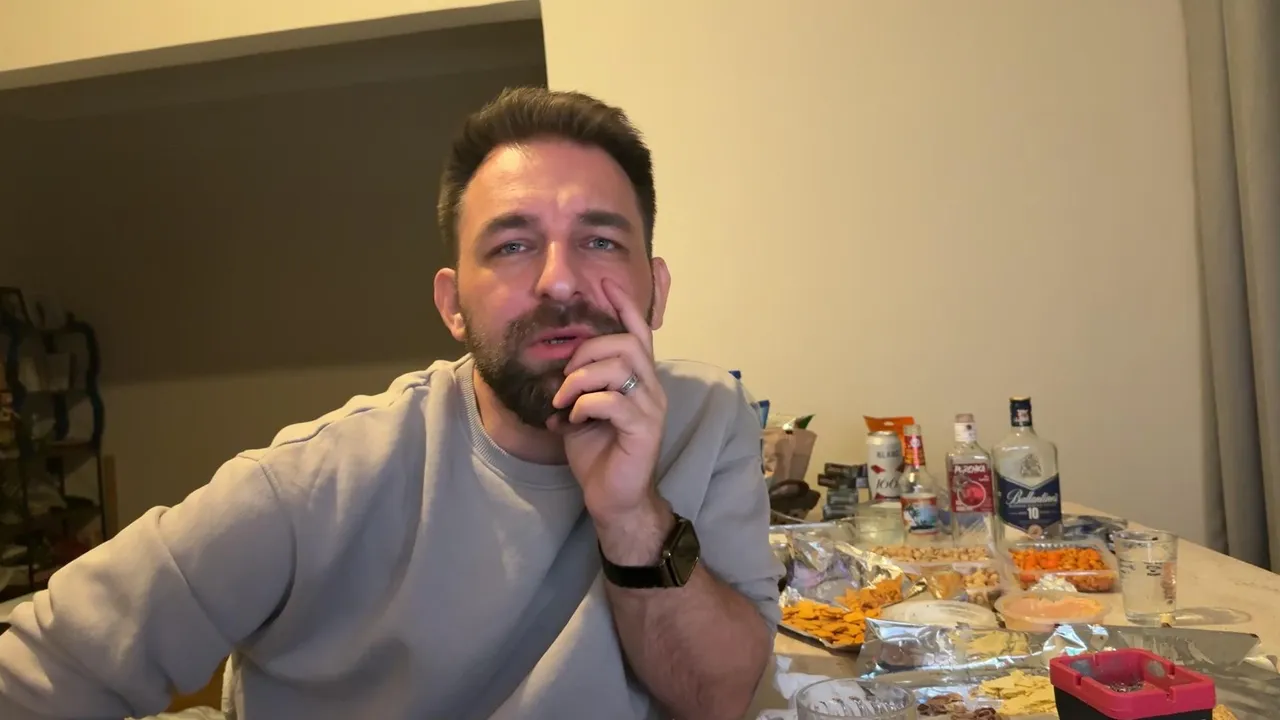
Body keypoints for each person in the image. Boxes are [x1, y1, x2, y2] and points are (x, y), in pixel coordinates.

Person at [0, 87, 783, 720]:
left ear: (657, 289)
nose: (559, 280)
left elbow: (719, 700)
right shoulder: (319, 481)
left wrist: (632, 516)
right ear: (452, 305)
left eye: (601, 240)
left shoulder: (708, 420)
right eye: (512, 245)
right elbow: (37, 674)